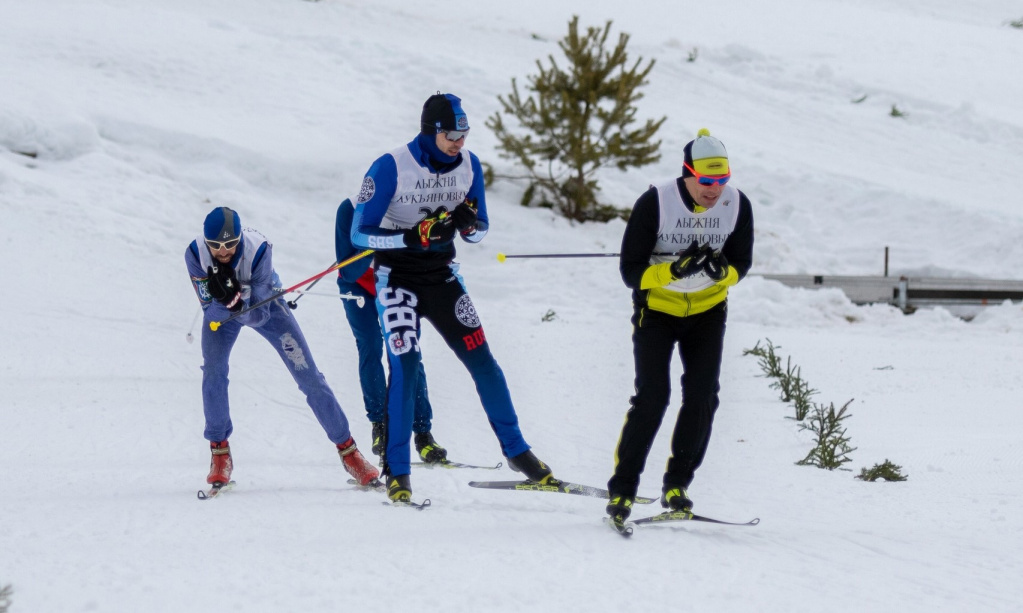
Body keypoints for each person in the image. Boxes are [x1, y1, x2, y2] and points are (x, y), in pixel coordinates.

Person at [349, 92, 555, 503]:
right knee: (405, 366)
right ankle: (399, 470)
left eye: (464, 134)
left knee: (484, 362)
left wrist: (467, 223)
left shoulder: (469, 165)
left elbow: (479, 232)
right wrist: (407, 237)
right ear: (431, 132)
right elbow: (359, 232)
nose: (459, 143)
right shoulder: (391, 166)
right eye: (451, 135)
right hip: (397, 280)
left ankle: (517, 451)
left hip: (442, 278)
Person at [605, 128, 755, 524]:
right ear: (687, 174)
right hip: (657, 310)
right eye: (706, 181)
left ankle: (678, 484)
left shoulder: (737, 205)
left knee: (704, 395)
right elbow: (630, 272)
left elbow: (742, 262)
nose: (714, 190)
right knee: (653, 396)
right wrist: (671, 270)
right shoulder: (656, 202)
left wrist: (725, 273)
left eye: (721, 180)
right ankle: (623, 489)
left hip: (707, 312)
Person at [185, 206, 379, 487]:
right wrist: (223, 303)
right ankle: (219, 453)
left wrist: (237, 302)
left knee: (308, 375)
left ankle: (349, 451)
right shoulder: (195, 254)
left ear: (239, 238)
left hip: (266, 307)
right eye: (215, 245)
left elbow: (260, 316)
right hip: (224, 314)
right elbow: (211, 314)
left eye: (230, 244)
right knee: (213, 371)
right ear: (206, 242)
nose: (223, 251)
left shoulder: (259, 250)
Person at [334, 197, 447, 464]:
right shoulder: (349, 210)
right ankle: (380, 427)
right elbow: (348, 270)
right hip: (357, 286)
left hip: (395, 284)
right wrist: (376, 246)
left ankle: (422, 434)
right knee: (371, 346)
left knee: (407, 352)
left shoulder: (407, 210)